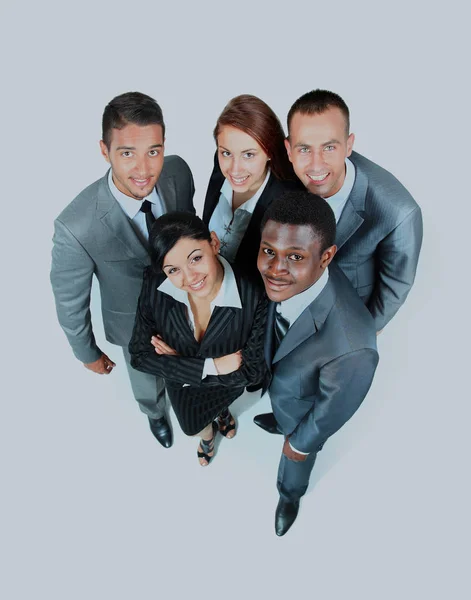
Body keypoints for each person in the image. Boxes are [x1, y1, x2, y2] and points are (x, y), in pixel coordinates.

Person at [50, 92, 195, 448]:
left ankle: (200, 402)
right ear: (105, 151)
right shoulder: (75, 226)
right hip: (134, 326)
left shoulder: (177, 172)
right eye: (127, 153)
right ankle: (155, 413)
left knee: (198, 361)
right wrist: (87, 353)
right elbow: (70, 302)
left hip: (191, 305)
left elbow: (191, 226)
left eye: (153, 151)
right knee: (146, 380)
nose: (143, 170)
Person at [254, 191, 379, 536]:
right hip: (287, 395)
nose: (276, 269)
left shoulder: (354, 348)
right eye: (268, 251)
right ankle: (281, 419)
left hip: (306, 418)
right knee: (284, 413)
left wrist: (297, 444)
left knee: (297, 459)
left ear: (326, 258)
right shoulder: (289, 282)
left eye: (295, 256)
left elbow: (331, 411)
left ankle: (289, 495)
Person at [128, 212, 268, 466]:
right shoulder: (155, 282)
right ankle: (208, 438)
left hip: (223, 387)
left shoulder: (255, 294)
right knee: (194, 427)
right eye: (173, 270)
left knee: (222, 406)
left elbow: (254, 372)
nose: (190, 277)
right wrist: (209, 366)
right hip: (186, 391)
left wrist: (178, 364)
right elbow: (139, 355)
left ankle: (223, 414)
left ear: (214, 243)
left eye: (196, 258)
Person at [284, 89, 423, 333]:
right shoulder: (284, 177)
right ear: (289, 150)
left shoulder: (398, 212)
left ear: (349, 145)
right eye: (304, 149)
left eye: (329, 148)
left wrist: (357, 338)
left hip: (343, 322)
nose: (316, 165)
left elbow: (395, 287)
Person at [203, 94, 300, 275]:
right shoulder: (219, 166)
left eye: (248, 155)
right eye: (226, 153)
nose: (235, 169)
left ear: (270, 152)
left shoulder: (287, 202)